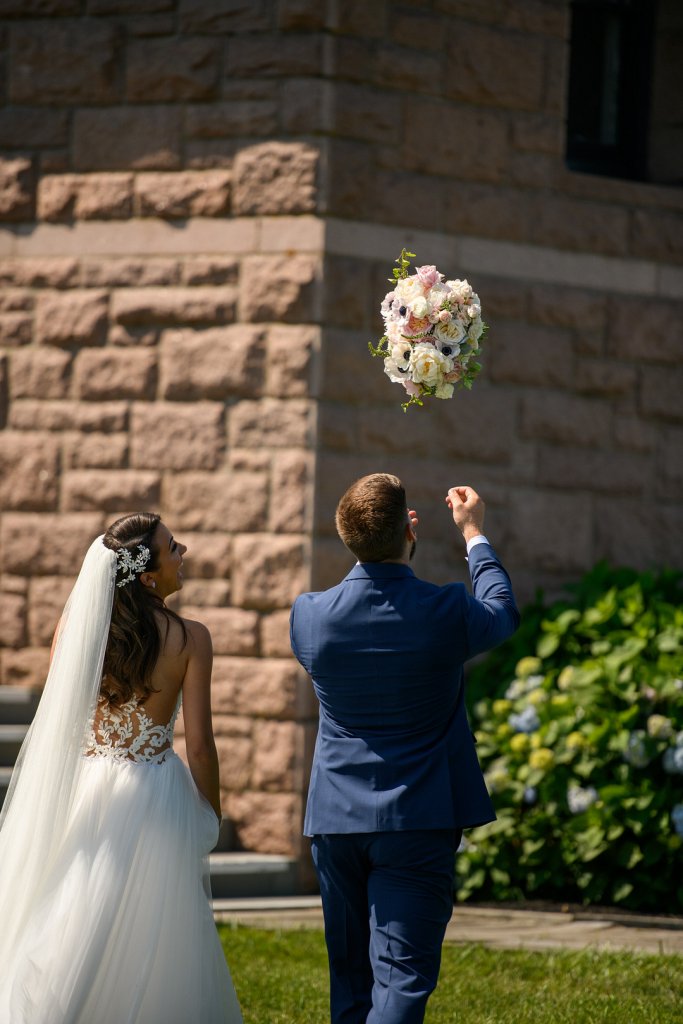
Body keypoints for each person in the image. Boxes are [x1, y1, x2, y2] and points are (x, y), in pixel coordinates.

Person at [290, 473, 519, 1024]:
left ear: (346, 536)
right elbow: (501, 611)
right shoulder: (444, 612)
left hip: (335, 823)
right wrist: (473, 533)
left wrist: (390, 547)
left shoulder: (309, 616)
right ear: (408, 531)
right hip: (417, 819)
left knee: (350, 984)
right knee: (401, 983)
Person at [0, 512, 242, 1024]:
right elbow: (199, 746)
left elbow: (62, 720)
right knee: (155, 928)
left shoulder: (75, 627)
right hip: (156, 793)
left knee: (75, 906)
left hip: (87, 787)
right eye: (173, 547)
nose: (185, 553)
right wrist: (210, 812)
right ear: (148, 575)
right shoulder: (191, 638)